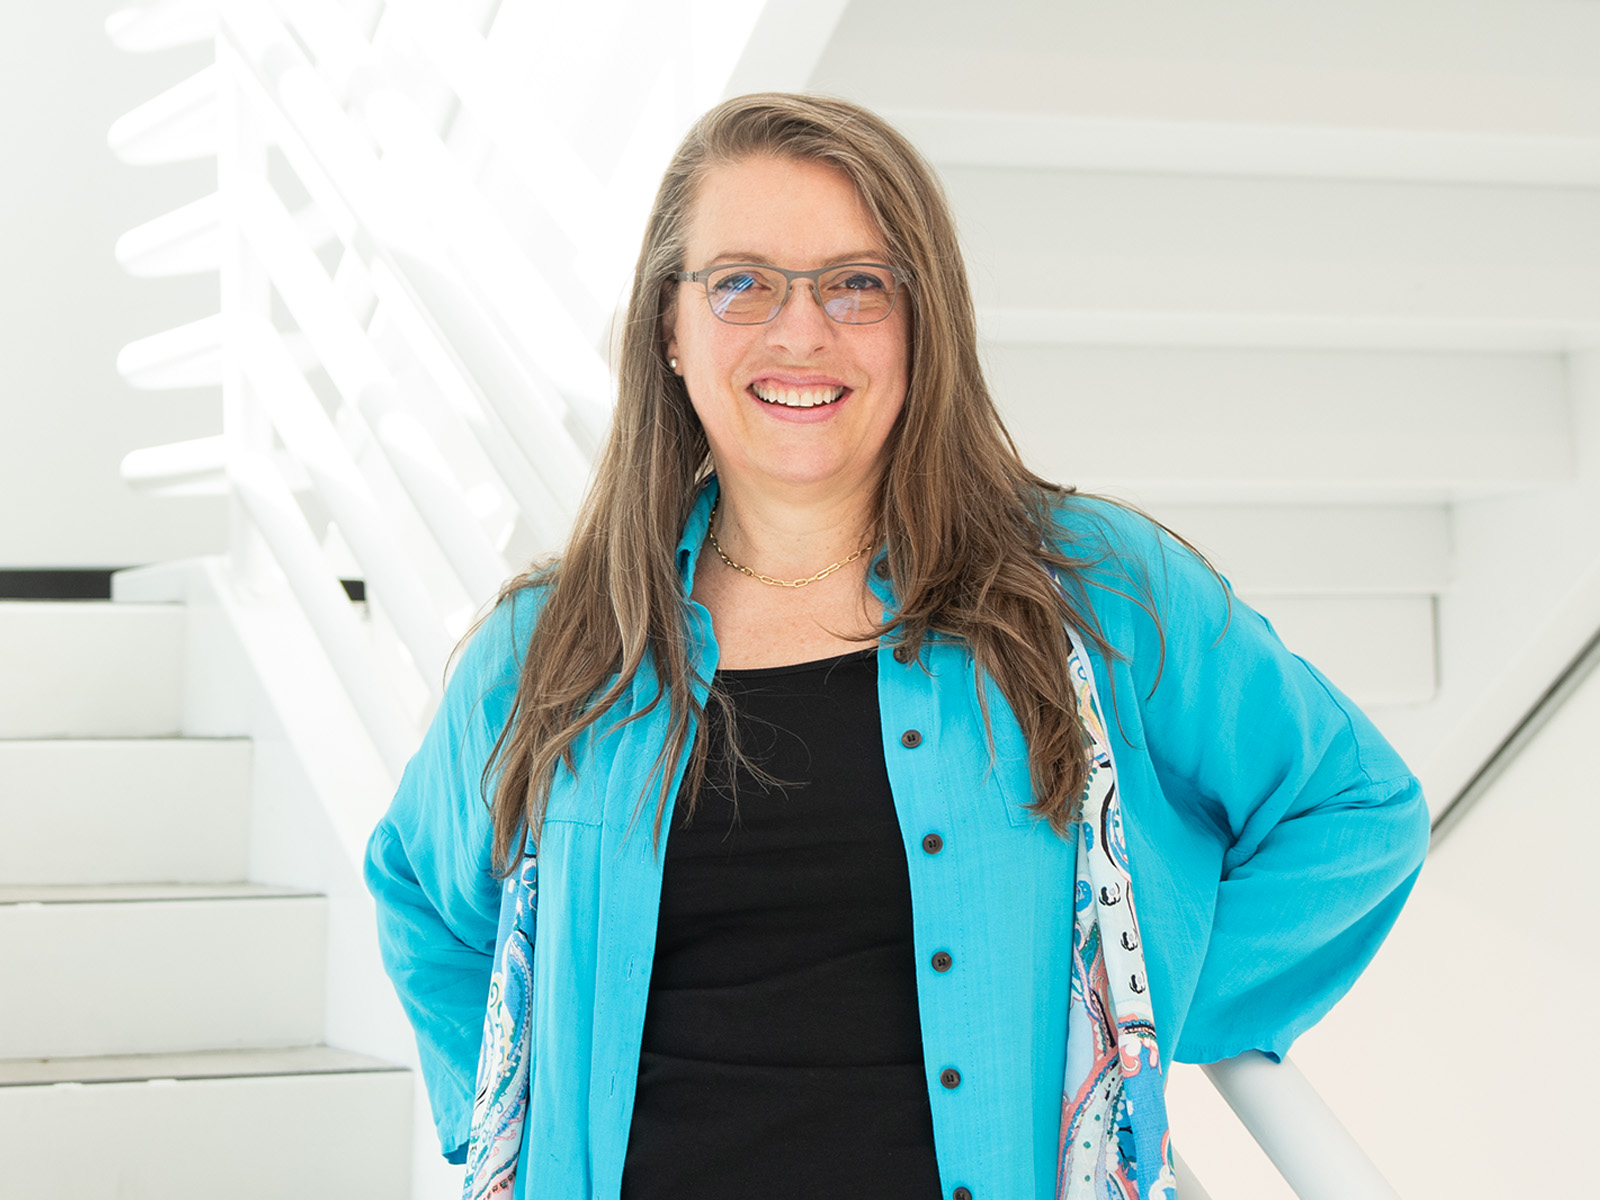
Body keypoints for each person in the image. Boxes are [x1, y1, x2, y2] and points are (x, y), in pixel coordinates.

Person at [365, 93, 1429, 1200]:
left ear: (926, 323)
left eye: (856, 284)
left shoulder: (1091, 589)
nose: (799, 332)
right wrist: (515, 1115)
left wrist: (1134, 1007)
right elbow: (418, 897)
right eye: (740, 283)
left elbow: (1352, 813)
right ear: (668, 332)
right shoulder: (551, 648)